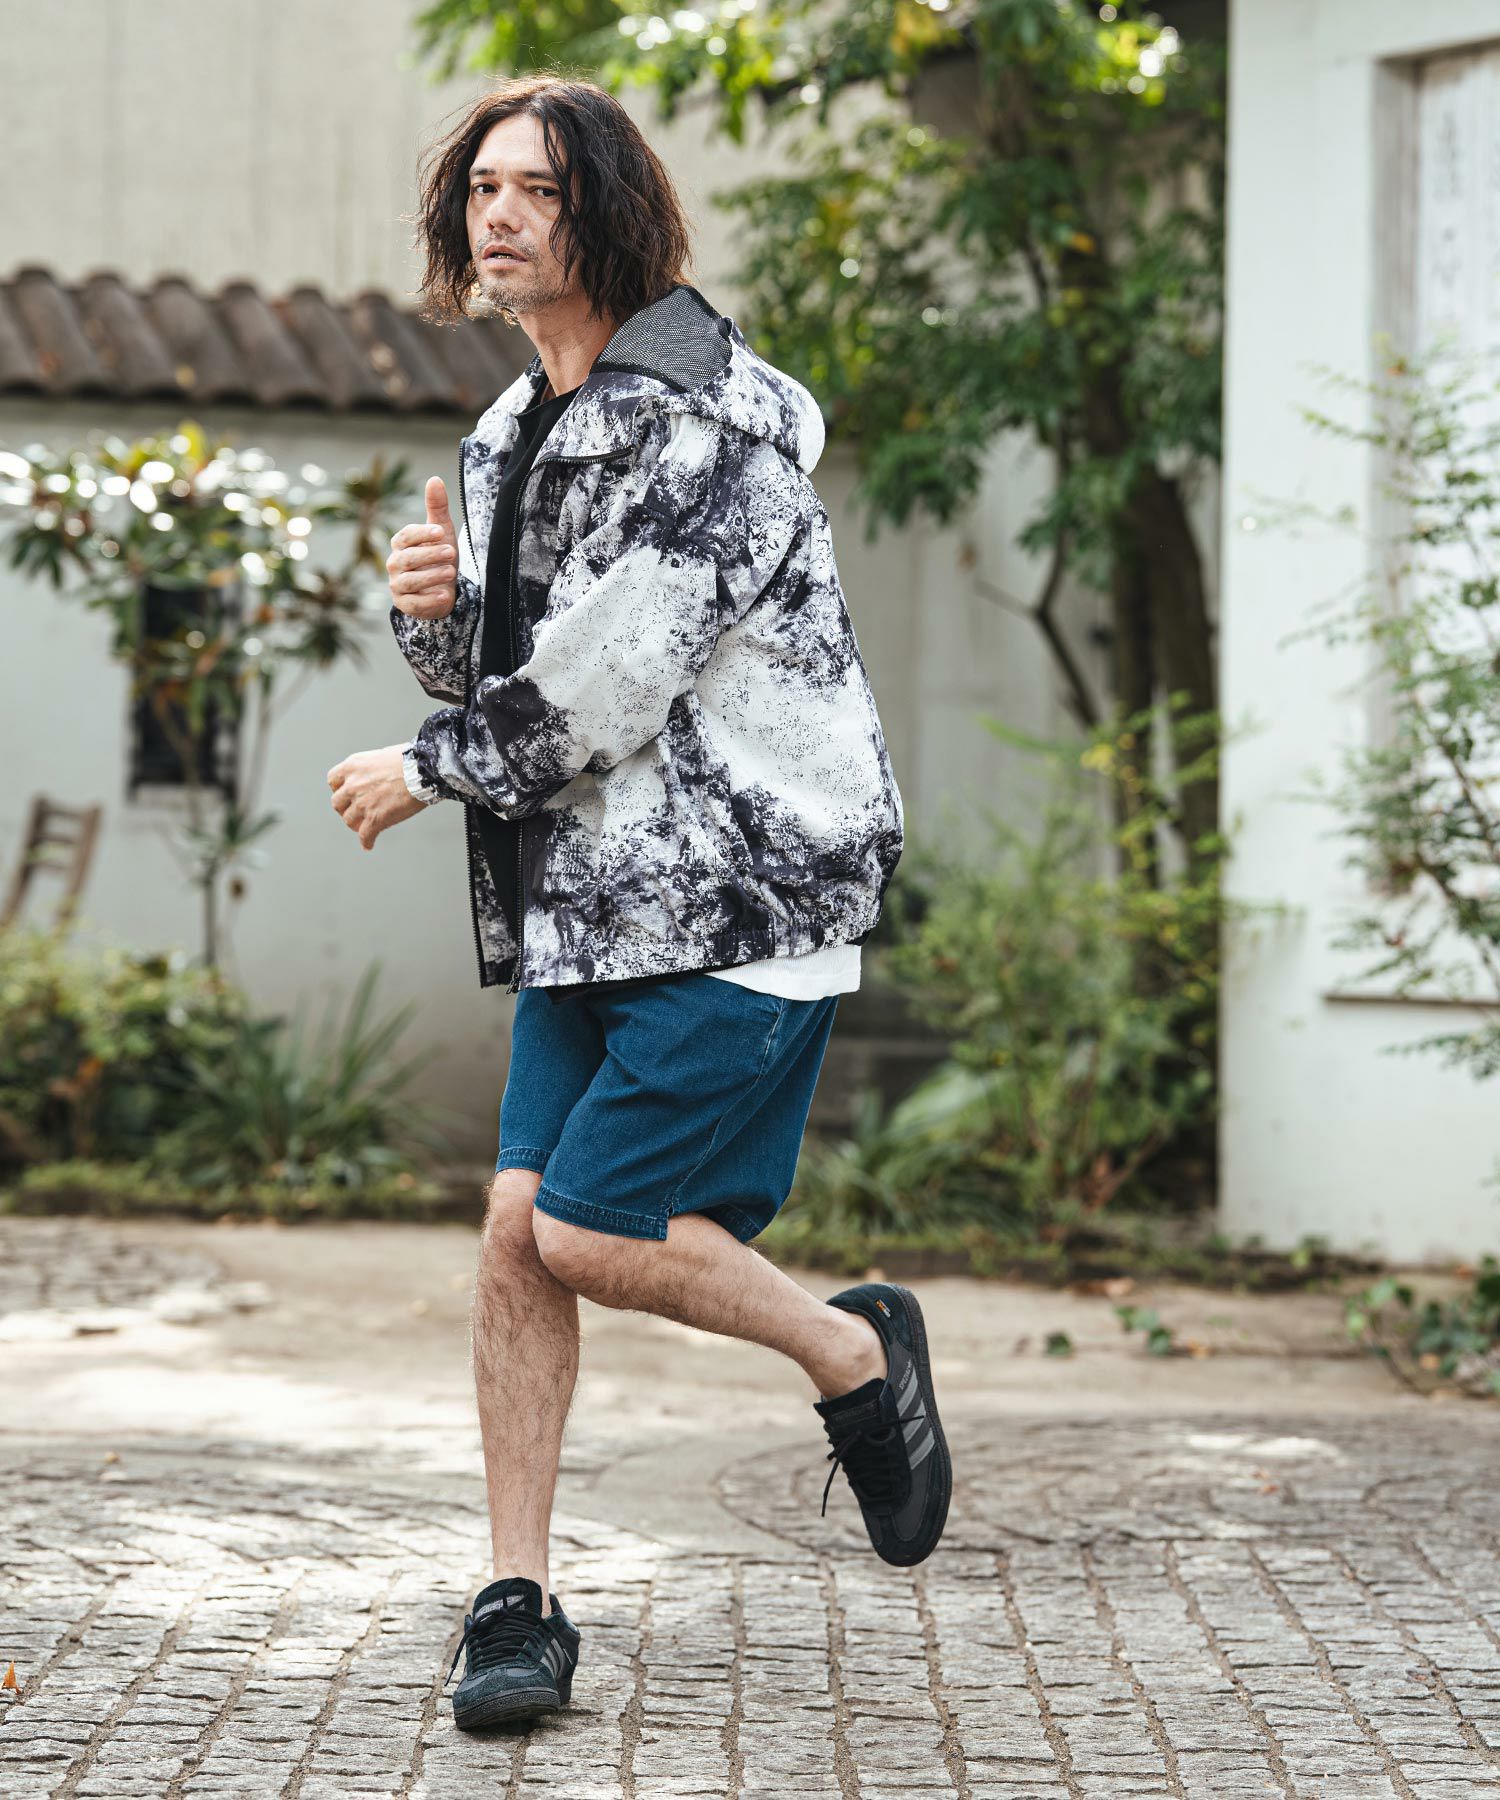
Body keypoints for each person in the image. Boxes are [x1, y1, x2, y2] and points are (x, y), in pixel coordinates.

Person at [326, 73, 950, 1733]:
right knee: (515, 1236)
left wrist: (428, 764)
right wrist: (436, 618)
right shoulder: (507, 429)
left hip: (746, 893)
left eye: (537, 189)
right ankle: (516, 1599)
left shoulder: (706, 427)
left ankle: (853, 1356)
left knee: (587, 1228)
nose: (501, 216)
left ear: (607, 214)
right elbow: (517, 675)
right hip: (592, 905)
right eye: (482, 190)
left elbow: (608, 687)